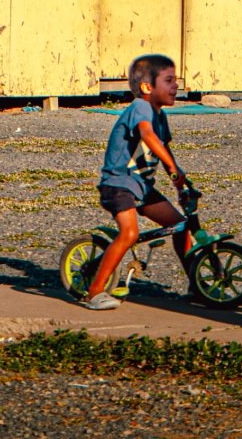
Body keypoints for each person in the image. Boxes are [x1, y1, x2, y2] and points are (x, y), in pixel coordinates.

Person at [84, 54, 190, 310]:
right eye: (169, 80)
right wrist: (174, 171)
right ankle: (94, 292)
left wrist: (179, 179)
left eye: (176, 80)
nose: (176, 85)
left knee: (179, 225)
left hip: (141, 186)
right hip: (119, 184)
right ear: (147, 88)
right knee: (130, 233)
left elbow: (164, 150)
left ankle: (196, 283)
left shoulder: (160, 115)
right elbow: (148, 136)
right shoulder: (141, 108)